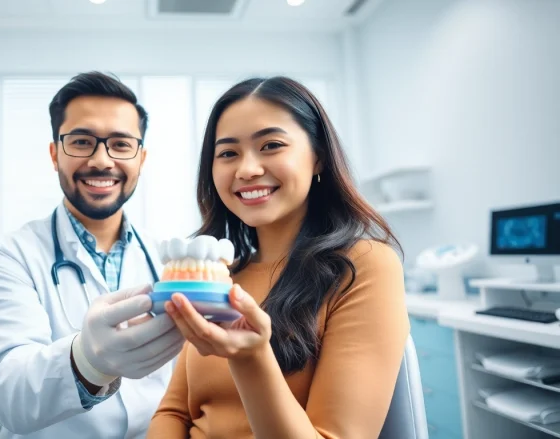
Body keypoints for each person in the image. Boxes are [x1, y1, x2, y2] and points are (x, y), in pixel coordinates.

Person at [147, 76, 410, 438]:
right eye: (227, 153)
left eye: (270, 145)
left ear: (317, 157)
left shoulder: (364, 265)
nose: (246, 169)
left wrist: (250, 358)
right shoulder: (220, 275)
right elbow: (173, 413)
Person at [0, 71, 184, 439]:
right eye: (82, 141)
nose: (102, 161)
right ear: (55, 154)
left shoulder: (167, 258)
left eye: (121, 144)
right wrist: (87, 362)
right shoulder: (9, 256)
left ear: (141, 158)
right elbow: (6, 395)